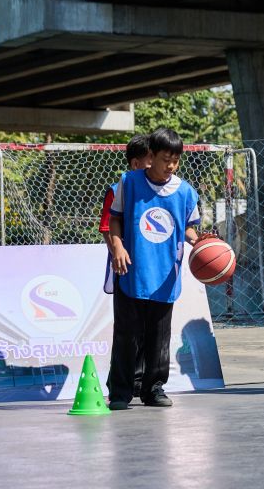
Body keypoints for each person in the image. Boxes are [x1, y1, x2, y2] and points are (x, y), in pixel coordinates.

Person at [106, 127, 200, 410]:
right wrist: (118, 246)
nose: (170, 166)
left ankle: (154, 389)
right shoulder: (129, 182)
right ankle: (120, 392)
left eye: (175, 160)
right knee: (126, 335)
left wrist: (202, 242)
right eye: (165, 159)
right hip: (132, 271)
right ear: (152, 156)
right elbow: (114, 219)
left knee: (159, 338)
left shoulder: (186, 192)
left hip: (165, 274)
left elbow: (188, 229)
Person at [99, 134, 152, 398]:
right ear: (135, 164)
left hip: (152, 271)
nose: (156, 165)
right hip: (128, 271)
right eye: (150, 159)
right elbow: (107, 228)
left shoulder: (160, 191)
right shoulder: (119, 188)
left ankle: (140, 381)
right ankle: (118, 383)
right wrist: (118, 254)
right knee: (127, 329)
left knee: (148, 330)